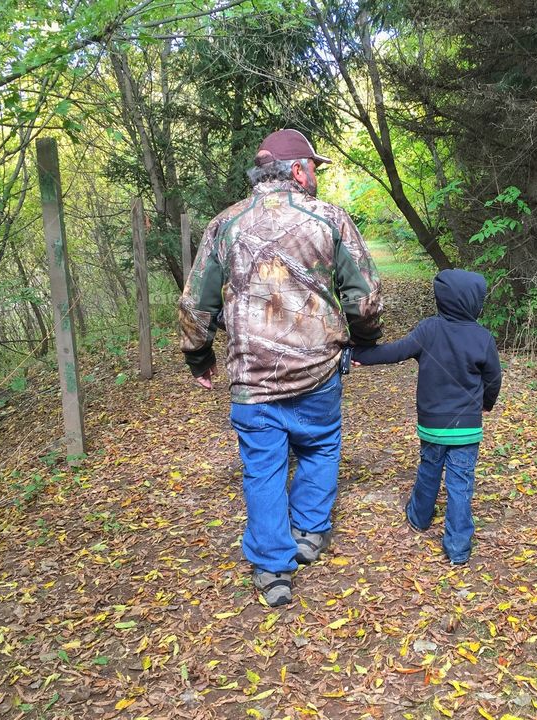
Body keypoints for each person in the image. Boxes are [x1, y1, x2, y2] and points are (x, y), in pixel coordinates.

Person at [178, 129, 383, 606]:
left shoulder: (224, 225)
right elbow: (365, 297)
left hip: (252, 380)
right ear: (296, 170)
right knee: (320, 446)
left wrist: (199, 355)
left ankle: (273, 570)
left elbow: (196, 304)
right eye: (313, 167)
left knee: (263, 468)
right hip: (318, 372)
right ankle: (309, 533)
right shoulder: (330, 219)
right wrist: (365, 338)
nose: (316, 176)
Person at [352, 269, 501, 565]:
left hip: (432, 425)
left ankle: (419, 517)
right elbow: (493, 377)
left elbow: (396, 351)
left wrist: (360, 354)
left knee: (429, 469)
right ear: (474, 302)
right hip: (466, 428)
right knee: (461, 482)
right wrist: (487, 403)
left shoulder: (428, 329)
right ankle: (458, 547)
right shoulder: (483, 337)